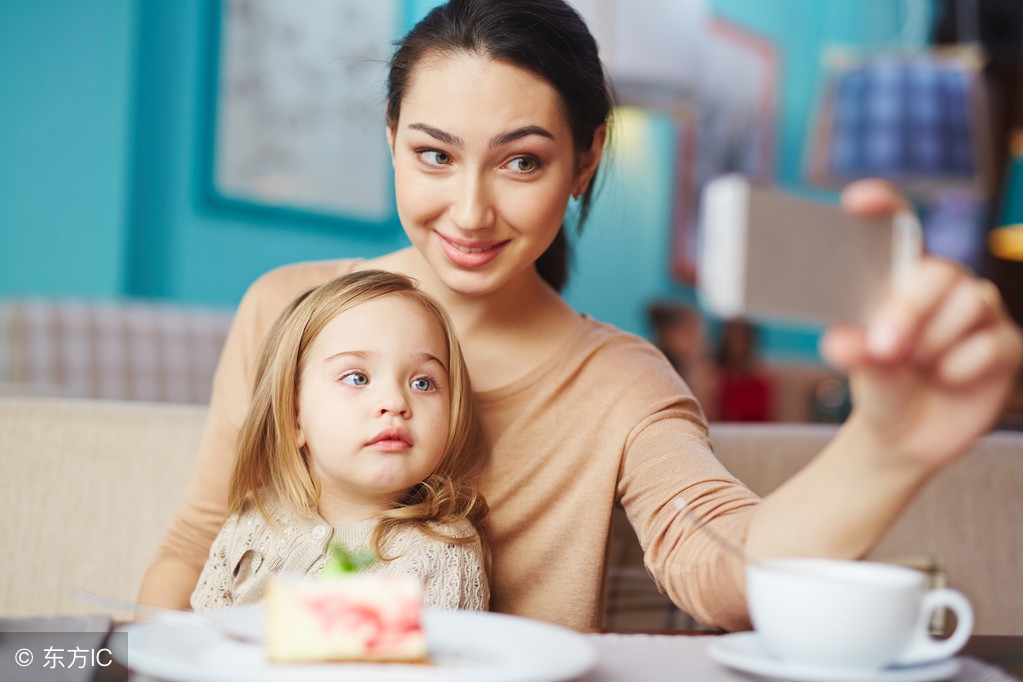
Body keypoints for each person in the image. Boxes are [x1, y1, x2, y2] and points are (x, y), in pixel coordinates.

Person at [139, 0, 1023, 631]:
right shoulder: (287, 310)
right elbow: (194, 545)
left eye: (520, 162)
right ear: (392, 142)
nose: (471, 211)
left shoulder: (620, 379)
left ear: (585, 159)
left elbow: (721, 571)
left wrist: (886, 447)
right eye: (433, 155)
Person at [189, 270, 489, 612]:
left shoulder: (443, 552)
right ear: (294, 418)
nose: (395, 402)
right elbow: (200, 636)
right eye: (357, 378)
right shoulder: (251, 523)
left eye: (422, 383)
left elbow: (438, 662)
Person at [714, 317, 774, 422]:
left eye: (740, 339)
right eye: (732, 340)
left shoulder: (764, 379)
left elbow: (772, 419)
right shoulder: (715, 379)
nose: (736, 347)